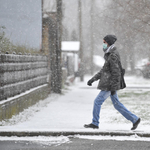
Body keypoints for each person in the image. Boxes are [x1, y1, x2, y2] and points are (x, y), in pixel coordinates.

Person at [84, 35, 140, 130]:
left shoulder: (112, 55)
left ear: (109, 43)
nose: (103, 44)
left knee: (97, 102)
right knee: (117, 104)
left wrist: (113, 87)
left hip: (109, 85)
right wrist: (93, 79)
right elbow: (104, 70)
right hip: (110, 84)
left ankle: (95, 123)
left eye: (104, 42)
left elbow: (116, 72)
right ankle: (134, 119)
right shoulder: (110, 54)